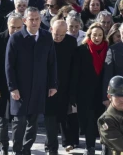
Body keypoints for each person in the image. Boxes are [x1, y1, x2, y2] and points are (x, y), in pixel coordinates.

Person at [5, 7, 57, 155]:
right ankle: (17, 150)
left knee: (33, 122)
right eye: (31, 19)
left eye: (37, 19)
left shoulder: (47, 37)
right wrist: (12, 87)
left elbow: (52, 63)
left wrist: (53, 84)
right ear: (24, 21)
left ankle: (26, 149)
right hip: (20, 87)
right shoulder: (16, 38)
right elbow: (9, 65)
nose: (34, 22)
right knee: (19, 122)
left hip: (39, 87)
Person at [70, 22, 108, 155]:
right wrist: (73, 94)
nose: (97, 38)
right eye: (94, 35)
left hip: (102, 91)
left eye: (99, 35)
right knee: (88, 119)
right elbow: (75, 74)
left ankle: (104, 145)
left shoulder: (108, 50)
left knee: (101, 119)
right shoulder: (81, 50)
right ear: (89, 35)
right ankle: (89, 145)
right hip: (84, 92)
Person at [0, 13, 23, 155]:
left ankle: (17, 147)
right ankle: (3, 146)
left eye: (18, 27)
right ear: (7, 25)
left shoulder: (27, 39)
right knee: (2, 118)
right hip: (1, 85)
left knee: (18, 119)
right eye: (12, 27)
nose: (15, 30)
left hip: (20, 85)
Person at [46, 20, 78, 155]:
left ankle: (68, 142)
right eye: (56, 34)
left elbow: (74, 66)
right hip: (48, 84)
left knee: (64, 115)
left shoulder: (71, 42)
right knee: (50, 117)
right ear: (51, 29)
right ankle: (51, 147)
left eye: (61, 35)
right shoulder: (45, 40)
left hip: (65, 84)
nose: (58, 37)